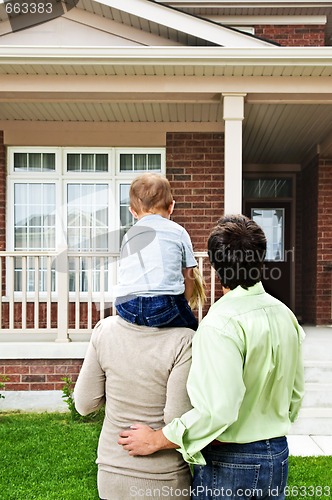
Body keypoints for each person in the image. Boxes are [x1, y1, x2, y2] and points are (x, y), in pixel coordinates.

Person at [118, 214, 305, 500]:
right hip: (276, 455)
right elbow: (295, 394)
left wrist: (156, 439)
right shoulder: (285, 315)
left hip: (232, 462)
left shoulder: (219, 325)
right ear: (260, 259)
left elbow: (218, 412)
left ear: (216, 268)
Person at [74, 315, 194, 500]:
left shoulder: (105, 329)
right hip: (163, 479)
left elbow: (84, 403)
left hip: (111, 474)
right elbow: (177, 419)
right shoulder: (185, 339)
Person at [114, 173, 199, 330]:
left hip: (126, 306)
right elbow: (189, 274)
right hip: (165, 306)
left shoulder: (129, 235)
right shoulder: (179, 231)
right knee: (193, 327)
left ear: (132, 211)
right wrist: (183, 304)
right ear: (171, 206)